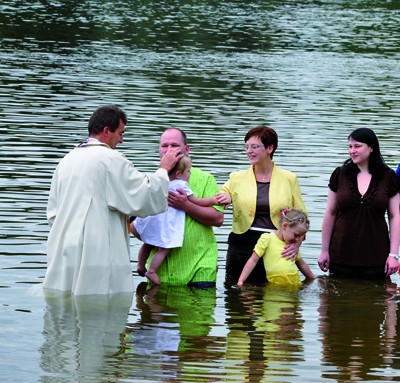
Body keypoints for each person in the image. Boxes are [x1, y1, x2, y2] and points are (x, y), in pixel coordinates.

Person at [43, 105, 183, 295]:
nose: (122, 140)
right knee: (98, 306)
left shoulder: (67, 160)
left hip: (63, 249)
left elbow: (53, 213)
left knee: (63, 305)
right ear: (107, 131)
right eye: (120, 133)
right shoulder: (110, 159)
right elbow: (143, 195)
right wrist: (163, 170)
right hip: (96, 251)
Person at [131, 128, 224, 287]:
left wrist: (186, 205)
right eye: (164, 146)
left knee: (201, 308)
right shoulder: (151, 181)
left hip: (199, 265)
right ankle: (145, 268)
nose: (168, 151)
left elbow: (217, 219)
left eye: (174, 145)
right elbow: (133, 225)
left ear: (186, 149)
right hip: (162, 272)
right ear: (159, 150)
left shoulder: (205, 178)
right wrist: (155, 235)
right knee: (155, 309)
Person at [216, 125, 307, 284]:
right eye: (247, 147)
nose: (249, 151)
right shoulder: (236, 177)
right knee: (237, 296)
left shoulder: (289, 179)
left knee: (275, 295)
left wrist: (296, 244)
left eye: (254, 147)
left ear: (270, 148)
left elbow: (302, 217)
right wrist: (225, 197)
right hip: (241, 245)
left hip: (276, 245)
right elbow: (221, 194)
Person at [318, 127, 400, 279]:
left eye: (357, 146)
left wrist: (393, 254)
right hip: (340, 254)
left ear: (371, 148)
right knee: (336, 299)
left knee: (377, 299)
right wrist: (324, 251)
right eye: (350, 146)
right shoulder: (340, 174)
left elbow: (395, 216)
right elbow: (330, 212)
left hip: (377, 257)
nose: (352, 151)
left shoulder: (388, 176)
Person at [237, 208, 315, 287]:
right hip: (274, 287)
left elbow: (302, 264)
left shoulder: (292, 246)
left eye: (300, 236)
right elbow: (253, 260)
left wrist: (313, 279)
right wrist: (241, 281)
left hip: (295, 285)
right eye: (296, 235)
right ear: (285, 226)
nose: (298, 240)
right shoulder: (268, 239)